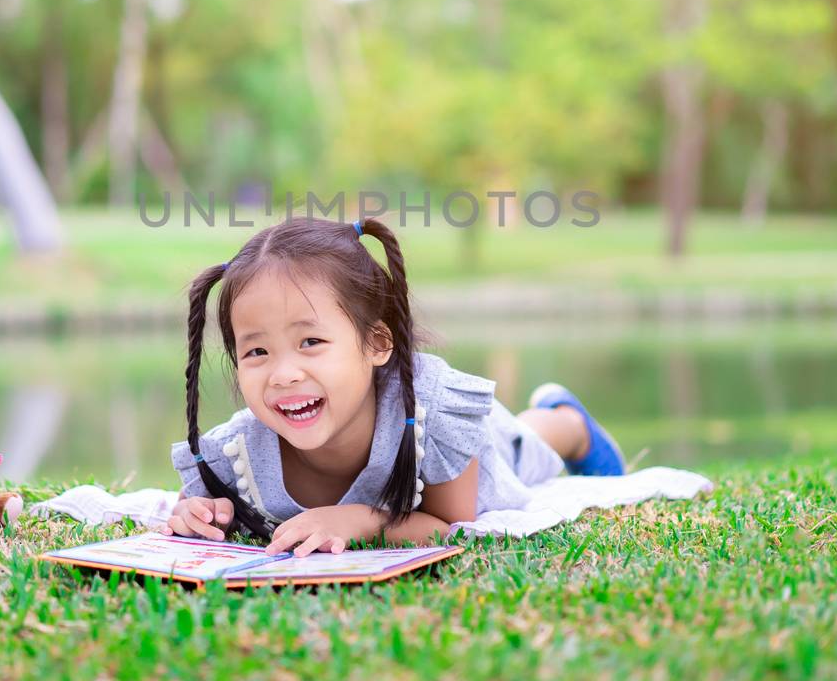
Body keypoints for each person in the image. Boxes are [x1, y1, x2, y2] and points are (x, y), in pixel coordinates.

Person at [166, 216, 627, 556]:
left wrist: (358, 520)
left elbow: (451, 525)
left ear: (377, 342)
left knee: (525, 448)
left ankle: (570, 422)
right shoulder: (240, 450)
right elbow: (198, 501)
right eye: (256, 352)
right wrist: (195, 515)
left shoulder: (432, 411)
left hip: (476, 456)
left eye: (311, 341)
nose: (283, 374)